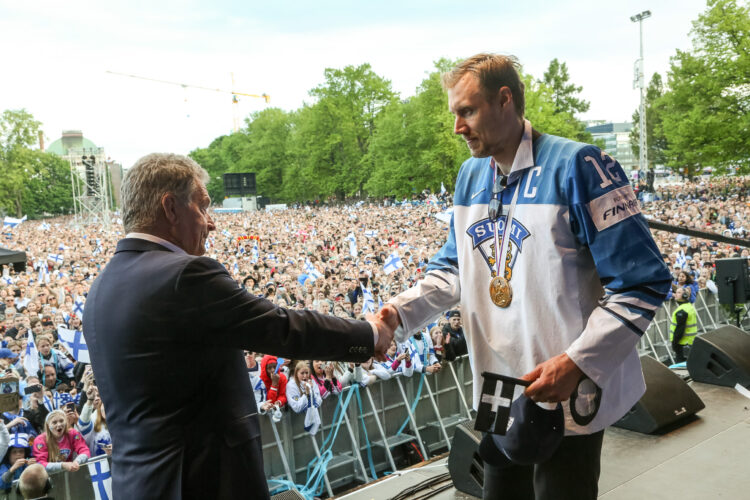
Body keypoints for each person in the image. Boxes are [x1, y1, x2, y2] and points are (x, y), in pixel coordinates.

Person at [379, 54, 671, 499]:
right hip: (496, 385)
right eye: (455, 113)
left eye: (467, 111)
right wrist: (399, 313)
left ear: (504, 99)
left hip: (564, 385)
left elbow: (641, 281)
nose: (458, 126)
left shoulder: (580, 166)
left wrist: (576, 363)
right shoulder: (469, 176)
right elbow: (454, 269)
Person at [83, 153, 395, 500]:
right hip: (205, 483)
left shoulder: (100, 289)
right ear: (170, 208)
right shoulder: (184, 274)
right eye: (202, 207)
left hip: (141, 486)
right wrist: (369, 334)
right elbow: (282, 327)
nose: (211, 223)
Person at [670, 287, 698, 363]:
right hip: (689, 343)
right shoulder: (689, 306)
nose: (675, 294)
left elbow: (679, 330)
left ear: (685, 296)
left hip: (682, 344)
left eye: (678, 292)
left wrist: (674, 344)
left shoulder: (682, 310)